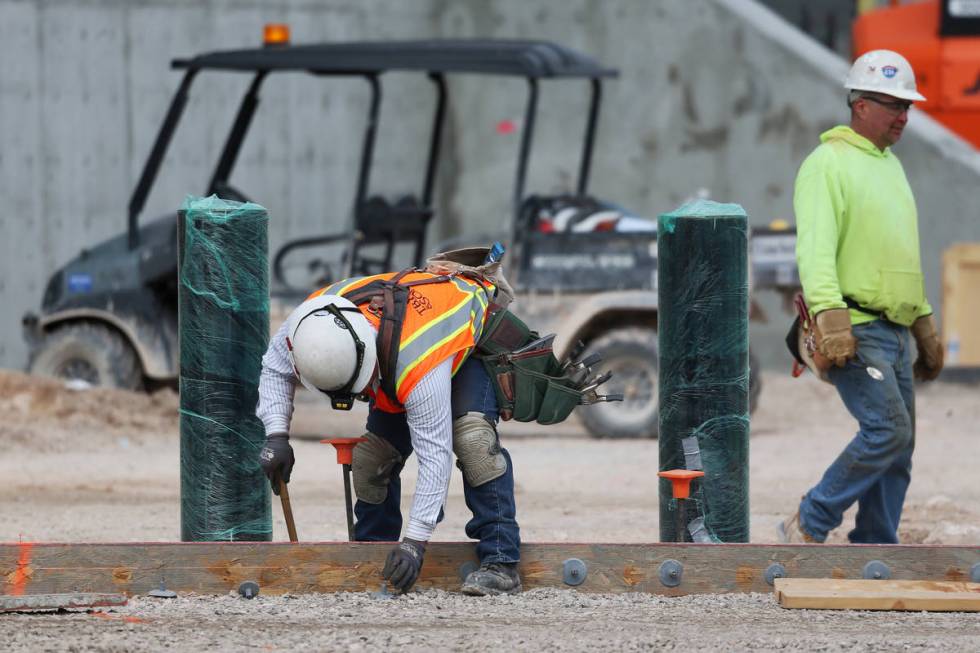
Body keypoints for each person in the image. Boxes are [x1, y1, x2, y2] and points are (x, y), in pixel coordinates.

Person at [255, 254, 523, 596]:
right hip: (395, 351)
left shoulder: (418, 363)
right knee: (371, 461)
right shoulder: (308, 323)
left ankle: (501, 562)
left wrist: (415, 542)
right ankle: (374, 554)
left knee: (474, 442)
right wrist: (276, 435)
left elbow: (435, 457)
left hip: (468, 345)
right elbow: (274, 370)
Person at [780, 50, 944, 545]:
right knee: (887, 431)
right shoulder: (827, 164)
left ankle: (876, 542)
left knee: (900, 445)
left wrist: (924, 325)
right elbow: (815, 249)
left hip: (892, 330)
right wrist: (831, 319)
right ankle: (809, 522)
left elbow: (899, 254)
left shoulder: (890, 168)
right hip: (854, 327)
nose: (903, 116)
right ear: (860, 105)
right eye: (893, 105)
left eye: (907, 106)